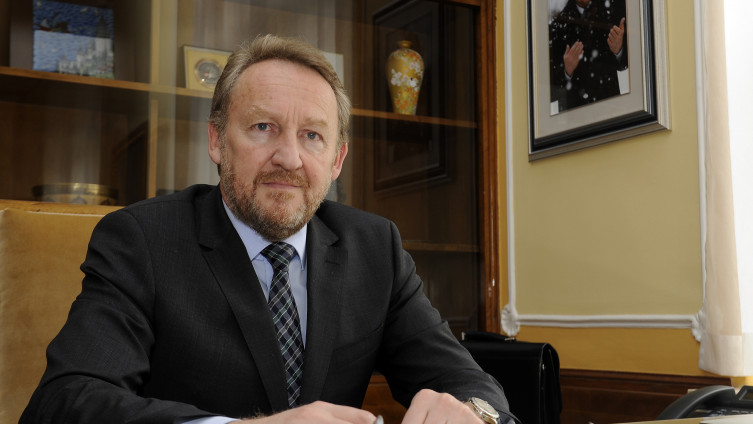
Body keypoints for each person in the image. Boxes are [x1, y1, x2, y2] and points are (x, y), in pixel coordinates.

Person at [20, 35, 515, 424]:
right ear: (217, 140)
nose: (289, 158)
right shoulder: (141, 241)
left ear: (337, 159)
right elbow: (64, 402)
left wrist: (475, 413)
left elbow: (468, 382)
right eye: (263, 127)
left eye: (312, 135)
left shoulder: (375, 247)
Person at [549, 0, 628, 112]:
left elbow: (642, 60)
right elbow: (548, 91)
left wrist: (619, 50)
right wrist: (566, 71)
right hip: (576, 115)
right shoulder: (558, 27)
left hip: (612, 109)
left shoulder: (614, 10)